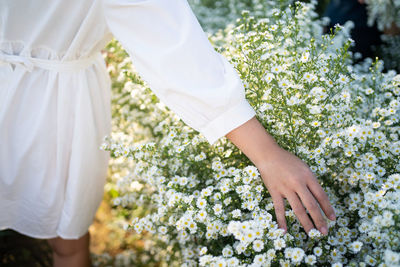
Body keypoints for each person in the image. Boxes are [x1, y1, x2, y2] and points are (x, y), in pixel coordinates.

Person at [0, 0, 336, 266]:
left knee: (65, 236)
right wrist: (267, 154)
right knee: (67, 239)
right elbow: (173, 49)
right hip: (58, 101)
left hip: (54, 90)